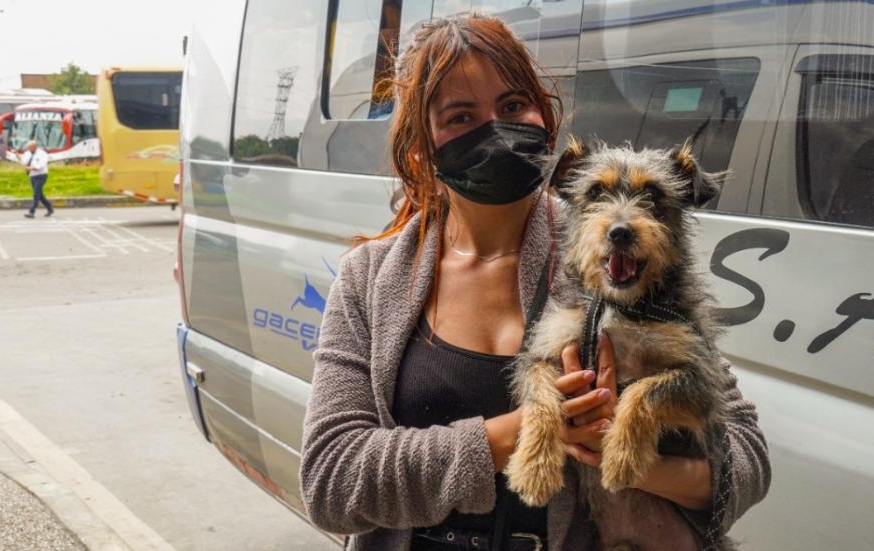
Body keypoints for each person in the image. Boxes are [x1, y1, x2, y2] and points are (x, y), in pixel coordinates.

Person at [299, 13, 770, 551]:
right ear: (419, 151)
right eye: (460, 116)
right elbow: (331, 483)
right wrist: (514, 434)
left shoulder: (614, 270)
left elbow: (748, 460)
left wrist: (629, 461)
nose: (494, 130)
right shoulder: (371, 279)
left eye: (512, 106)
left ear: (545, 121)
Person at [19, 140, 53, 218]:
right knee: (40, 195)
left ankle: (31, 212)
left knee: (36, 194)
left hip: (41, 175)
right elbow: (24, 161)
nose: (28, 149)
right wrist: (18, 157)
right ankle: (50, 208)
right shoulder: (27, 153)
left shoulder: (42, 154)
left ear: (34, 146)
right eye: (28, 147)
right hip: (32, 176)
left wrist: (30, 168)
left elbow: (41, 165)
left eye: (30, 147)